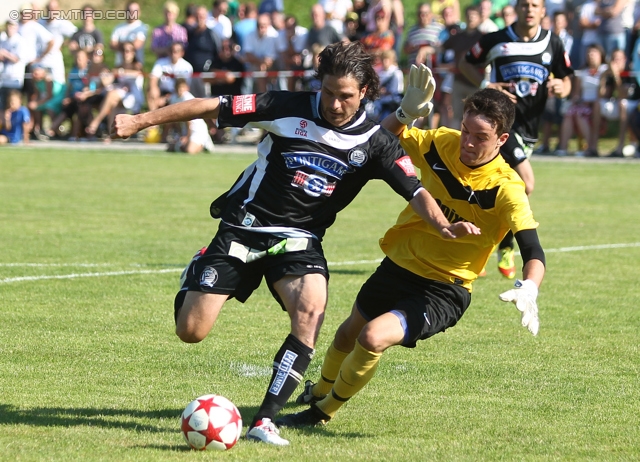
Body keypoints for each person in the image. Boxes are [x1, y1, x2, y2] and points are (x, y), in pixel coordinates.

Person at [110, 41, 476, 446]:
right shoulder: (284, 106)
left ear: (365, 93)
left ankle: (265, 420)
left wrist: (444, 227)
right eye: (330, 93)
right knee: (191, 332)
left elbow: (415, 190)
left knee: (311, 310)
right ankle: (198, 269)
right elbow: (211, 105)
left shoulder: (376, 141)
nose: (336, 104)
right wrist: (140, 120)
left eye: (347, 97)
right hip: (244, 228)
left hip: (299, 240)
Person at [274, 68, 545, 430]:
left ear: (502, 140)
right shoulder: (440, 142)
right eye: (466, 130)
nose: (467, 142)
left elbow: (533, 249)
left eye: (481, 137)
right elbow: (378, 140)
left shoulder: (506, 187)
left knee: (372, 338)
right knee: (346, 334)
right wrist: (405, 113)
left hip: (444, 288)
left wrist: (529, 287)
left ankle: (321, 412)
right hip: (399, 265)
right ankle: (318, 390)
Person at [458, 0, 572, 279]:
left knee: (496, 187)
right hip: (500, 126)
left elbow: (568, 79)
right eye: (524, 4)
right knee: (525, 184)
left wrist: (562, 87)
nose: (529, 9)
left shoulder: (552, 43)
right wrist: (486, 84)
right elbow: (466, 63)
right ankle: (501, 243)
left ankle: (484, 244)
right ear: (516, 9)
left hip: (529, 129)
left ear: (543, 11)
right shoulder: (496, 40)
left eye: (535, 5)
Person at [166, 78, 214, 153]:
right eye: (178, 88)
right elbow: (176, 120)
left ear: (186, 88)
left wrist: (187, 137)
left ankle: (204, 144)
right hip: (186, 130)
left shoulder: (187, 99)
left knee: (189, 151)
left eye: (182, 88)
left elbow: (189, 121)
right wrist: (181, 134)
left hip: (197, 130)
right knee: (171, 148)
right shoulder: (173, 99)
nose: (180, 91)